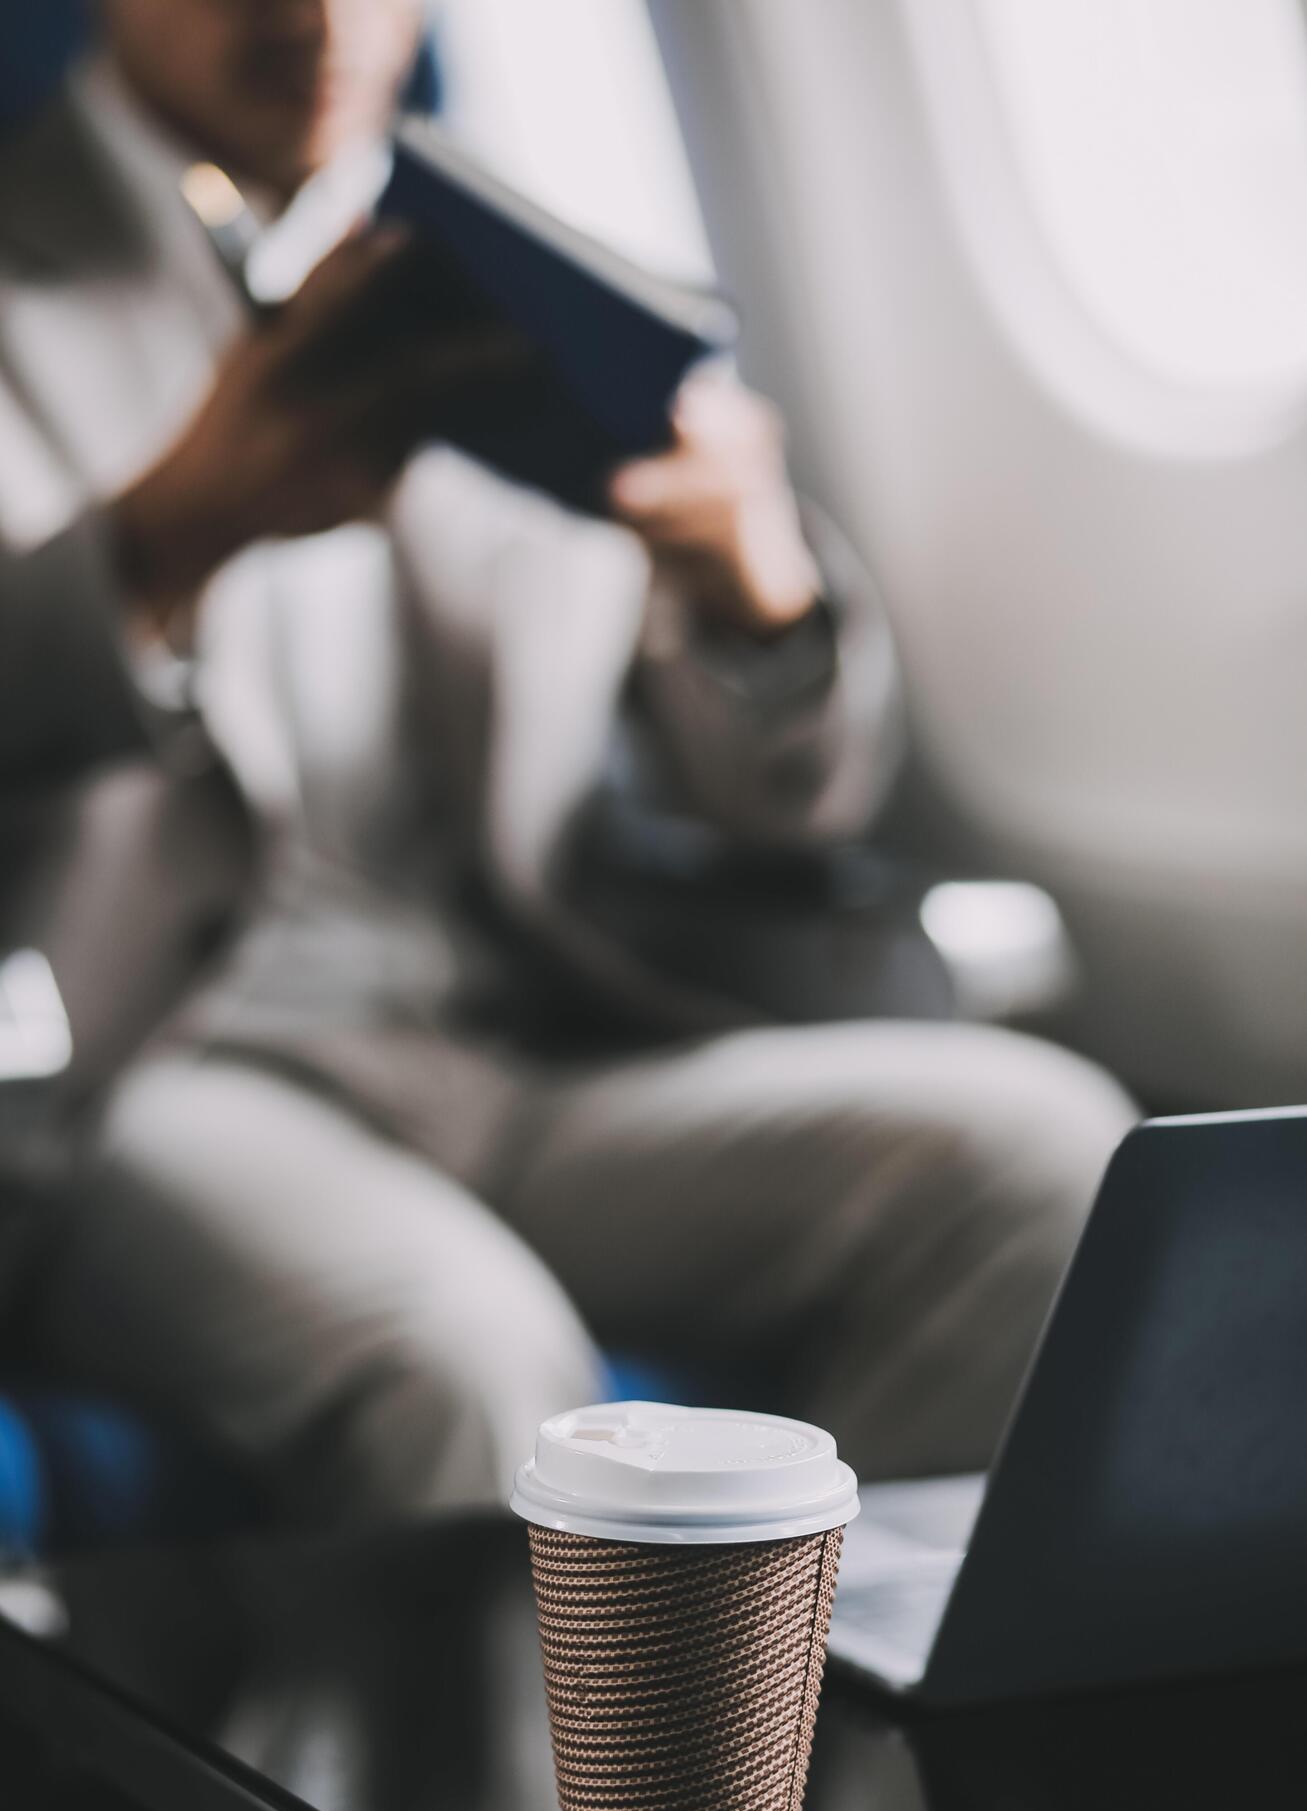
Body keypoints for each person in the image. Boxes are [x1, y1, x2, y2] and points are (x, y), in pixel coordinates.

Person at [0, 0, 1134, 1526]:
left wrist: (757, 596)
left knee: (1051, 1170)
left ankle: (764, 1758)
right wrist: (159, 541)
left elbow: (787, 805)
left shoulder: (523, 277)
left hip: (509, 1038)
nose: (316, 14)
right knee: (467, 1364)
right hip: (148, 1068)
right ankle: (563, 1770)